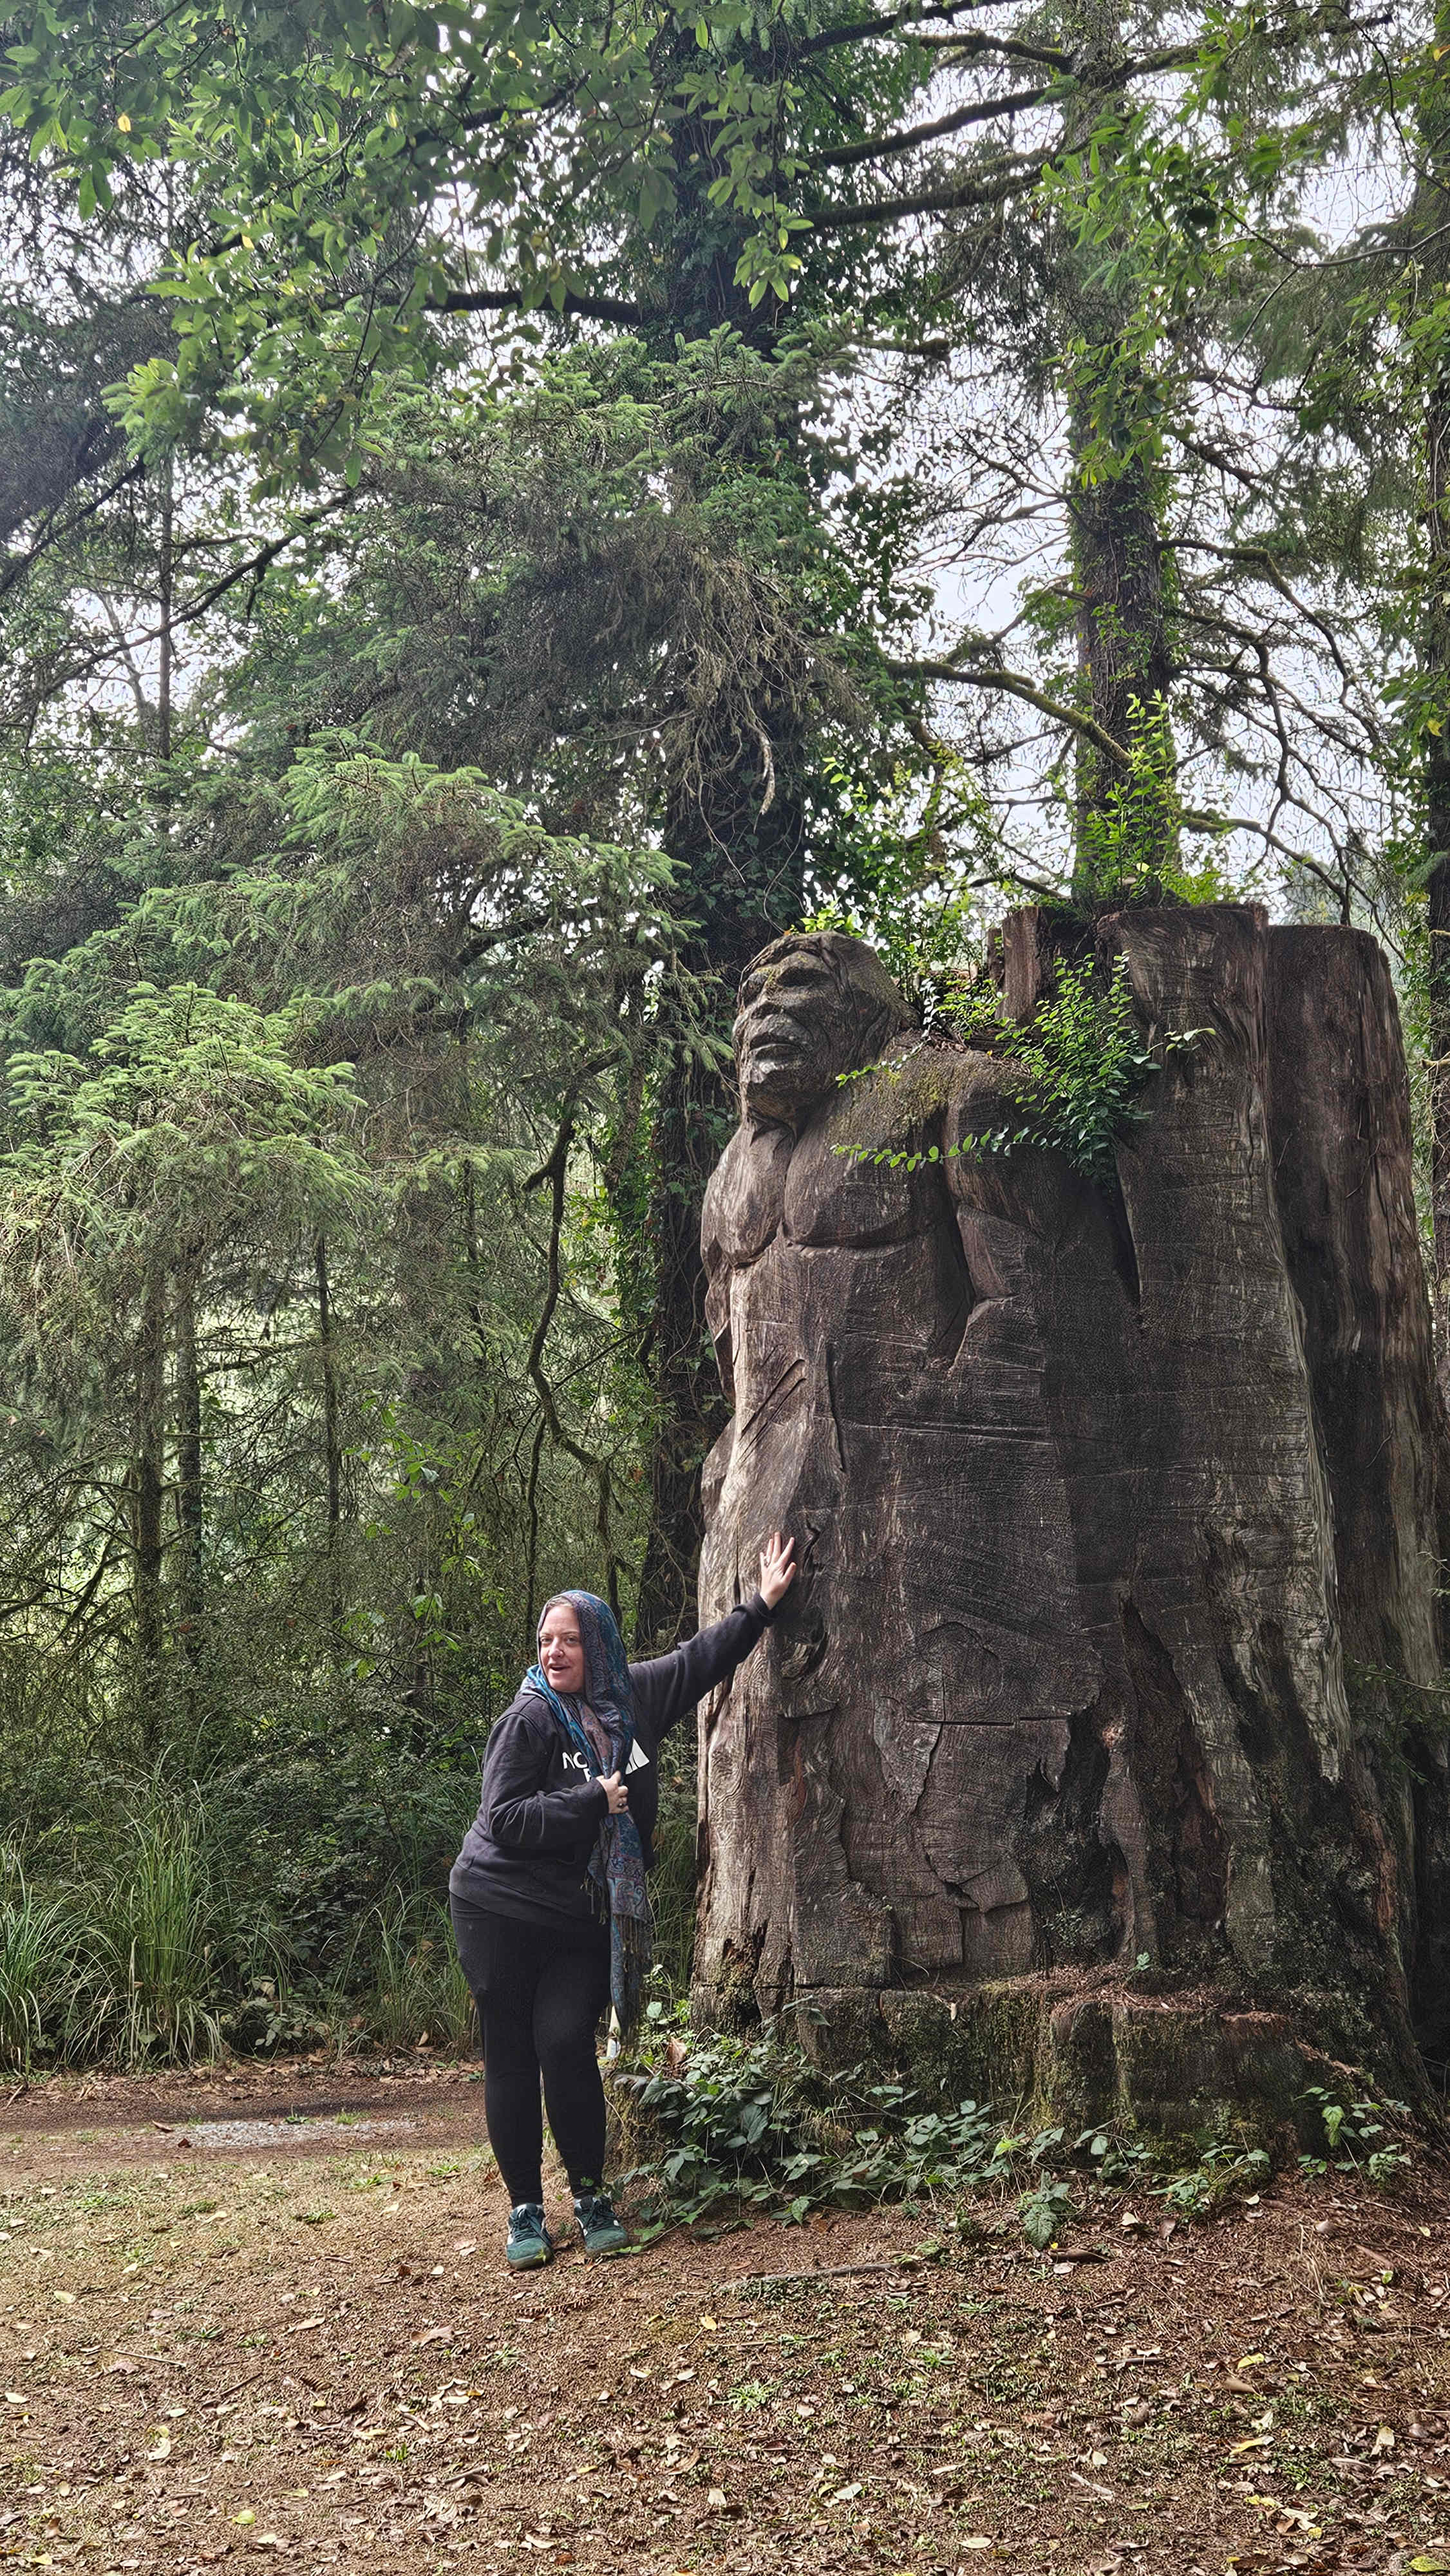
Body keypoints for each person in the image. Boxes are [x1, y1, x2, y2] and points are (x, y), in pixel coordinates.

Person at [449, 1533, 796, 2270]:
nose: (552, 1652)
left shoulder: (628, 1698)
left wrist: (761, 1606)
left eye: (568, 1639)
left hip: (577, 1914)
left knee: (565, 2043)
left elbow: (700, 1659)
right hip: (498, 1908)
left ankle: (589, 2194)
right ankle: (523, 2212)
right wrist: (589, 1801)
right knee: (511, 2056)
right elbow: (505, 1817)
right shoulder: (529, 1719)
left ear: (596, 1645)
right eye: (544, 1640)